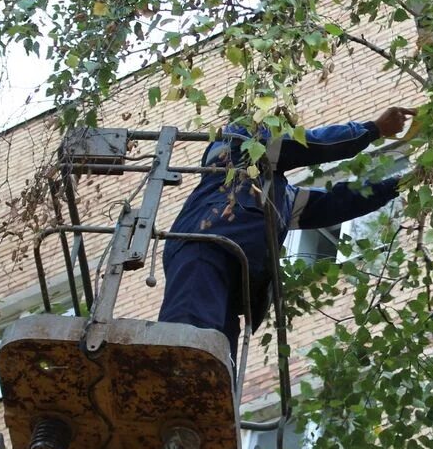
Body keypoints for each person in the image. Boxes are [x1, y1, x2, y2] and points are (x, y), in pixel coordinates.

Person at [158, 106, 413, 363]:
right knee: (186, 342)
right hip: (207, 244)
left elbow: (338, 202)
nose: (287, 131)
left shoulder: (279, 196)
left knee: (216, 356)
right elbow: (308, 145)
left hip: (238, 274)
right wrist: (373, 130)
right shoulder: (239, 143)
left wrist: (399, 183)